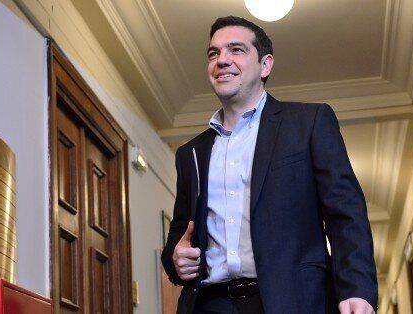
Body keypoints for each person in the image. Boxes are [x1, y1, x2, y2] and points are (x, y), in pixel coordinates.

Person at [161, 15, 377, 314]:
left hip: (295, 300)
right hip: (211, 304)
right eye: (214, 53)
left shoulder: (309, 123)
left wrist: (356, 290)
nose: (222, 60)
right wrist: (176, 257)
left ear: (265, 65)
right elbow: (180, 230)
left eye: (236, 50)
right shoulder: (191, 152)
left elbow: (346, 214)